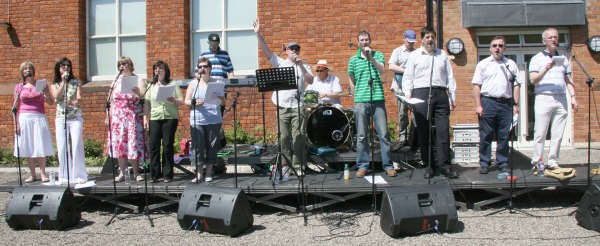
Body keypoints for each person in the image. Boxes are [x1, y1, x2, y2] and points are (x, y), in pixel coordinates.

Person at [253, 18, 313, 172]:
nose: (294, 51)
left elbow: (310, 80)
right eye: (291, 49)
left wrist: (301, 66)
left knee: (298, 137)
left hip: (298, 105)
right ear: (286, 51)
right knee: (284, 138)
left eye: (296, 49)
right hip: (282, 105)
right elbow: (266, 52)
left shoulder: (304, 65)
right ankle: (286, 164)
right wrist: (258, 34)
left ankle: (298, 165)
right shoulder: (280, 63)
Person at [402, 27, 458, 179]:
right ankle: (428, 166)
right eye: (427, 37)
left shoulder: (442, 55)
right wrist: (408, 94)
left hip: (440, 93)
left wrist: (452, 97)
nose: (430, 39)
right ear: (422, 39)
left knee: (443, 131)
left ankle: (444, 165)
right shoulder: (414, 56)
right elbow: (408, 77)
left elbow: (450, 76)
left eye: (432, 37)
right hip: (421, 93)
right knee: (424, 132)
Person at [348, 30, 396, 177]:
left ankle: (388, 165)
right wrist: (354, 96)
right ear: (358, 42)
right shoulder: (353, 59)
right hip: (361, 101)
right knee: (362, 135)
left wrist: (371, 58)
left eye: (366, 39)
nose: (364, 42)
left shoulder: (378, 54)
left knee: (383, 134)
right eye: (361, 40)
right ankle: (362, 165)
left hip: (377, 99)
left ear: (370, 41)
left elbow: (382, 70)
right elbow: (351, 78)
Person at [529, 28, 578, 169]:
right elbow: (533, 80)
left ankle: (553, 161)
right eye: (550, 37)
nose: (554, 40)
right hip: (544, 98)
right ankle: (537, 161)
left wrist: (573, 97)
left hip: (561, 98)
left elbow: (568, 80)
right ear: (544, 41)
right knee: (540, 132)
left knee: (557, 133)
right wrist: (546, 68)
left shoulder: (563, 59)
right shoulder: (537, 58)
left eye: (556, 37)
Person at [472, 36, 521, 174]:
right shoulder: (483, 64)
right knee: (486, 134)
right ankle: (484, 163)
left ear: (504, 48)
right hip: (488, 102)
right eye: (494, 45)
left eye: (500, 45)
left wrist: (515, 103)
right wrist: (478, 105)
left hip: (506, 103)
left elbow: (517, 85)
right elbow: (476, 86)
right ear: (490, 48)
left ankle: (502, 162)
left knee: (504, 135)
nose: (497, 48)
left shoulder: (510, 64)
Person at [105, 56, 148, 182]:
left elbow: (144, 99)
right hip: (118, 117)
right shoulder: (116, 81)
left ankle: (136, 172)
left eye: (125, 64)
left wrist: (138, 92)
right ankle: (122, 173)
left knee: (132, 143)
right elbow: (110, 101)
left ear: (130, 65)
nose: (123, 67)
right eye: (120, 65)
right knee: (120, 145)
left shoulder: (138, 79)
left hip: (132, 116)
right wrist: (108, 116)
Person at [12, 62, 55, 183]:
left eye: (29, 68)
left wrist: (46, 93)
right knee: (28, 146)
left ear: (33, 70)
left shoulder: (40, 84)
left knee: (39, 144)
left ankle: (42, 173)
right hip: (24, 118)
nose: (27, 70)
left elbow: (51, 102)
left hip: (38, 117)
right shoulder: (19, 87)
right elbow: (15, 106)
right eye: (25, 68)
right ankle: (32, 174)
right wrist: (16, 124)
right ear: (22, 72)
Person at [185, 58, 226, 182]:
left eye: (205, 66)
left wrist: (218, 96)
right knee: (198, 147)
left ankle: (209, 172)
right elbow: (186, 101)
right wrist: (194, 102)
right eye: (200, 66)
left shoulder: (217, 82)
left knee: (211, 146)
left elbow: (223, 102)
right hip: (198, 119)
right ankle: (198, 173)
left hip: (213, 119)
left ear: (210, 68)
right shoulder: (194, 83)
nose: (202, 69)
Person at [49, 57, 88, 184]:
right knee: (62, 147)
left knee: (76, 144)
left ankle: (79, 175)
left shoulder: (76, 82)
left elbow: (79, 98)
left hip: (75, 117)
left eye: (68, 66)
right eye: (63, 66)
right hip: (61, 118)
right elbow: (56, 96)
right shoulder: (55, 83)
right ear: (58, 69)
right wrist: (64, 83)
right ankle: (64, 176)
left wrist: (75, 102)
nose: (66, 68)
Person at [144, 61, 183, 183]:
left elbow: (181, 101)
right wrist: (145, 118)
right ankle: (155, 175)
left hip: (170, 117)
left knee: (167, 146)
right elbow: (147, 103)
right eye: (155, 69)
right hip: (155, 118)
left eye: (160, 69)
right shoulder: (151, 86)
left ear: (165, 71)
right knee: (154, 146)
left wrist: (173, 100)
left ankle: (167, 174)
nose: (158, 71)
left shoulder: (173, 84)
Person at [389, 30, 418, 147]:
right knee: (402, 113)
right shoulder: (397, 51)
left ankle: (413, 137)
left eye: (413, 42)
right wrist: (406, 71)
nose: (411, 44)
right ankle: (402, 137)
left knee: (415, 114)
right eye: (409, 41)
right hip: (400, 87)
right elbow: (391, 66)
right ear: (404, 39)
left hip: (414, 87)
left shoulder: (417, 53)